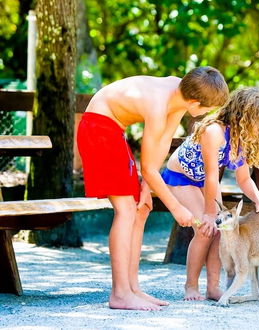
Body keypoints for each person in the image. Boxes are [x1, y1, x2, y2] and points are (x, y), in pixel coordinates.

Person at [76, 66, 229, 311]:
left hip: (114, 131)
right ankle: (120, 293)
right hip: (98, 129)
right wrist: (176, 207)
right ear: (194, 102)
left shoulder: (182, 92)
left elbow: (164, 140)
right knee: (126, 210)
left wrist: (147, 187)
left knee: (141, 208)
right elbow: (147, 166)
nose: (207, 114)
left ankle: (133, 288)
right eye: (206, 109)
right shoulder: (158, 105)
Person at [161, 86, 259, 301]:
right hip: (180, 178)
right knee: (206, 230)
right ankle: (191, 286)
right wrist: (207, 214)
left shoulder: (240, 140)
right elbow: (212, 176)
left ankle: (213, 287)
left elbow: (244, 179)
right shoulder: (214, 131)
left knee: (221, 228)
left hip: (202, 181)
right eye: (258, 123)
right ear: (243, 116)